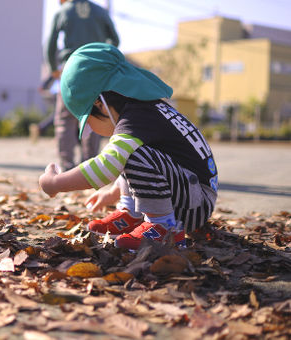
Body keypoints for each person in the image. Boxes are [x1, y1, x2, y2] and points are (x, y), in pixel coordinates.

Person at [39, 43, 218, 250]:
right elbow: (155, 164)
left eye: (88, 120)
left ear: (99, 103)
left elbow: (105, 168)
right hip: (191, 192)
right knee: (126, 150)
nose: (90, 128)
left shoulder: (136, 120)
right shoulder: (145, 110)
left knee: (129, 154)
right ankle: (132, 214)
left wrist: (55, 183)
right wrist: (113, 193)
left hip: (194, 203)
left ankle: (163, 227)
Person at [46, 0, 119, 171]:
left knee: (65, 118)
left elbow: (50, 43)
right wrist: (103, 57)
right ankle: (89, 165)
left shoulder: (63, 11)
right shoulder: (100, 11)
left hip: (70, 67)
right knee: (93, 116)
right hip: (95, 69)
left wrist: (52, 67)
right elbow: (115, 39)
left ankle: (67, 166)